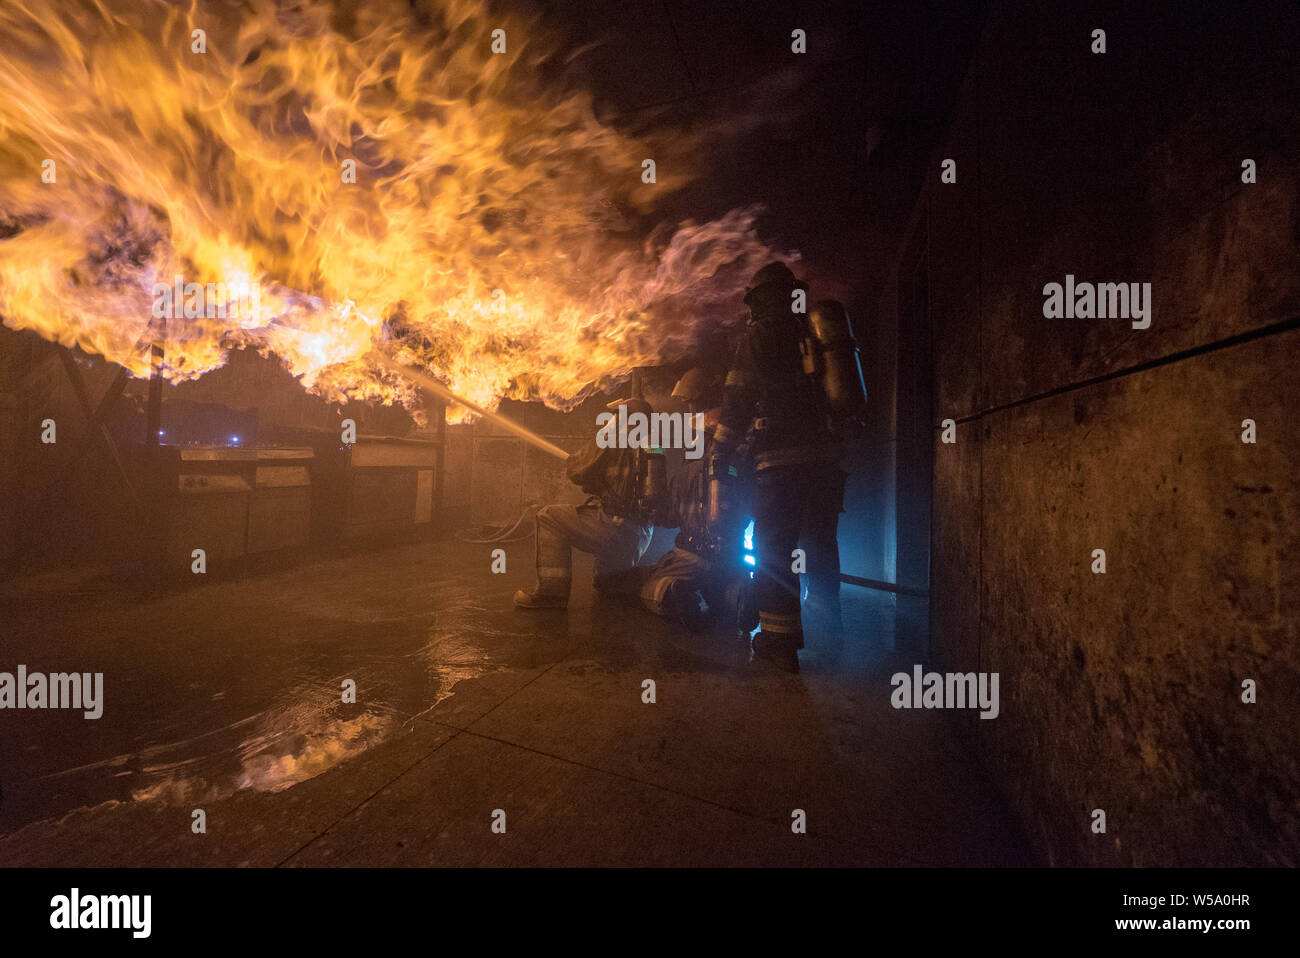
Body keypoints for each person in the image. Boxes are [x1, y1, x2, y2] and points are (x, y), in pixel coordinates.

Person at [713, 262, 847, 672]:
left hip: (779, 464)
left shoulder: (758, 337)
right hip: (827, 464)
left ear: (758, 301)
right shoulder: (815, 332)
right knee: (820, 546)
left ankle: (778, 641)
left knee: (775, 551)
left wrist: (720, 454)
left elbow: (736, 401)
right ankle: (830, 631)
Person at [513, 397, 656, 609]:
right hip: (639, 535)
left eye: (616, 415)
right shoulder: (652, 445)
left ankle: (551, 594)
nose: (612, 418)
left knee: (548, 516)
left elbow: (577, 471)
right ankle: (642, 577)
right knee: (608, 585)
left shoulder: (611, 438)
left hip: (613, 529)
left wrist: (577, 461)